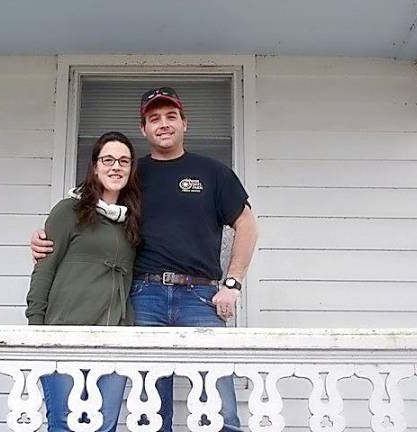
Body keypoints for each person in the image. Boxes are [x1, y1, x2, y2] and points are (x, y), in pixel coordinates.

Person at [31, 88, 258, 432]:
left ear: (185, 122)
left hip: (199, 297)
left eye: (170, 117)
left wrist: (232, 283)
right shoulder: (132, 173)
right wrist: (43, 238)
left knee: (221, 404)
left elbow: (247, 225)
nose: (163, 125)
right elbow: (84, 206)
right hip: (143, 297)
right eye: (154, 119)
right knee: (149, 410)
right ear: (144, 129)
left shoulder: (212, 172)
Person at [26, 131, 142, 432]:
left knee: (104, 425)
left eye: (124, 161)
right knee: (64, 422)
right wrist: (36, 330)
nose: (116, 167)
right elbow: (44, 270)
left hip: (114, 340)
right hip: (63, 336)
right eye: (108, 160)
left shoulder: (133, 221)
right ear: (94, 166)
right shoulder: (69, 210)